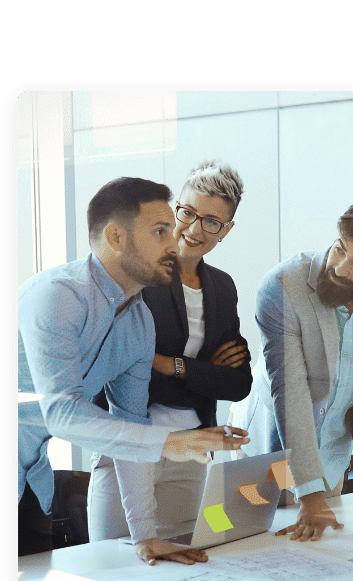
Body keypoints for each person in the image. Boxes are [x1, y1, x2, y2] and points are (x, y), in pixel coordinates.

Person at [18, 177, 248, 567]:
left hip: (30, 481)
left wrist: (145, 535)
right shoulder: (59, 295)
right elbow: (62, 413)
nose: (175, 242)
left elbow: (129, 419)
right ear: (116, 237)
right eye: (162, 230)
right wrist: (168, 442)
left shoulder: (139, 322)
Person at [230, 196, 353, 542]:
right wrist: (309, 496)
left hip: (332, 453)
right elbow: (291, 390)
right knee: (247, 545)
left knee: (315, 554)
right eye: (340, 249)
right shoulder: (283, 286)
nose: (341, 267)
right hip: (265, 454)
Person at [88, 162, 252, 542]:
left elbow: (238, 382)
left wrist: (167, 364)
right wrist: (198, 372)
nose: (194, 229)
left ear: (226, 230)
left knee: (183, 560)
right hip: (129, 442)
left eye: (211, 221)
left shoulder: (222, 288)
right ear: (175, 208)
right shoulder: (137, 272)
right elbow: (116, 365)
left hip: (191, 450)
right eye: (188, 213)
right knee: (110, 564)